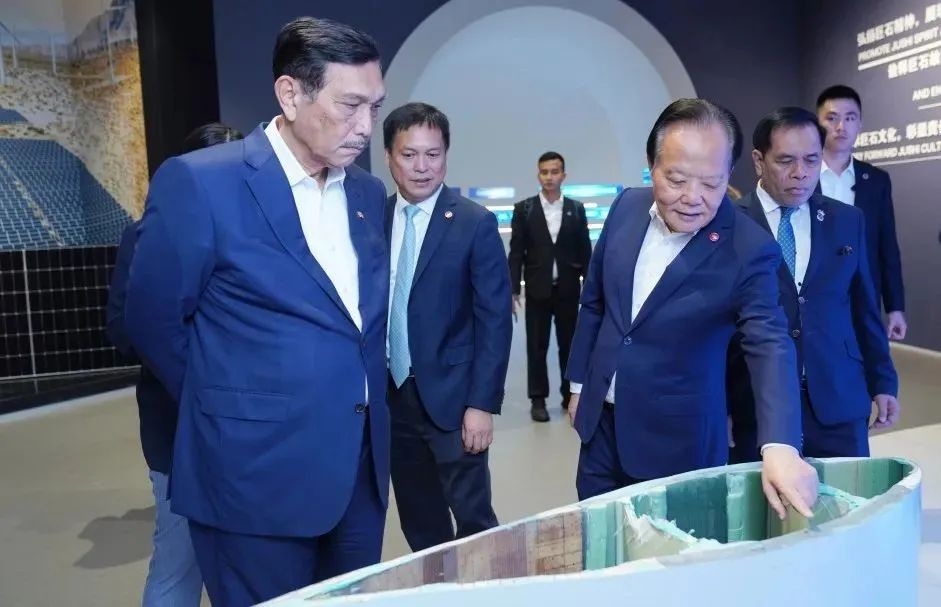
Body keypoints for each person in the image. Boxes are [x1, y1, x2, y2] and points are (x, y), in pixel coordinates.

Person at [123, 17, 390, 606]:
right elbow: (153, 321)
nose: (366, 127)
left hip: (357, 474)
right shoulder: (201, 184)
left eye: (374, 107)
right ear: (290, 94)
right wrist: (234, 404)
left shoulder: (367, 195)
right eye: (349, 106)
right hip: (250, 476)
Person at [565, 98, 819, 519]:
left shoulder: (748, 247)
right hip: (600, 427)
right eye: (677, 180)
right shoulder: (626, 207)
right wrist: (579, 386)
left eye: (712, 184)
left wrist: (781, 444)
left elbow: (769, 343)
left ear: (729, 174)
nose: (692, 198)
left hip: (677, 441)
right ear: (652, 164)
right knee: (597, 539)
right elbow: (595, 301)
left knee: (673, 551)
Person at [107, 122, 241, 607]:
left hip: (254, 433)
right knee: (178, 562)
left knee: (250, 568)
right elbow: (122, 331)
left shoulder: (264, 236)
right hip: (178, 426)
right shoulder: (146, 236)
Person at [728, 107, 900, 462]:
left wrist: (883, 381)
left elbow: (864, 308)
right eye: (786, 161)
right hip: (755, 407)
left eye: (811, 159)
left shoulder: (847, 220)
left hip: (839, 400)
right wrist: (720, 405)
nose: (801, 173)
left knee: (848, 496)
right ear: (759, 161)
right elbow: (716, 325)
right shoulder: (730, 224)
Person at [383, 102, 511, 551]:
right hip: (391, 398)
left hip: (455, 401)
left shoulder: (475, 223)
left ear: (446, 156)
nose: (422, 167)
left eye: (432, 154)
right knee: (419, 519)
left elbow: (494, 321)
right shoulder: (372, 220)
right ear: (389, 157)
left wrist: (481, 404)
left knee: (473, 520)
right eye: (409, 154)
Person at [816, 85, 907, 340]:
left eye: (850, 118)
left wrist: (895, 307)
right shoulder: (802, 176)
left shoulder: (876, 180)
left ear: (860, 124)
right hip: (812, 296)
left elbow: (887, 246)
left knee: (863, 359)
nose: (841, 127)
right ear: (817, 124)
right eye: (832, 118)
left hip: (862, 296)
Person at [508, 152, 592, 422]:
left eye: (555, 172)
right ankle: (538, 399)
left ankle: (569, 395)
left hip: (568, 289)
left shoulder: (576, 209)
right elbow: (516, 252)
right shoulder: (524, 209)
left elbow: (585, 250)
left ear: (563, 175)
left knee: (569, 346)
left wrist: (592, 287)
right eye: (544, 172)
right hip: (537, 289)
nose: (549, 177)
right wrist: (513, 289)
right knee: (537, 346)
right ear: (538, 175)